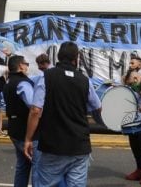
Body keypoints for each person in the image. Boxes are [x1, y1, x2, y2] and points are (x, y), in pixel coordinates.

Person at [23, 41, 102, 187]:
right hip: (80, 145)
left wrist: (28, 139)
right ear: (76, 58)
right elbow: (97, 107)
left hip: (53, 145)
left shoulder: (46, 77)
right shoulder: (85, 81)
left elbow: (35, 110)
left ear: (58, 57)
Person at [3, 55, 37, 187]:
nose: (27, 66)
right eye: (26, 63)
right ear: (21, 66)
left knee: (22, 165)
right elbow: (33, 106)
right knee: (36, 166)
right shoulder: (22, 83)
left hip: (14, 128)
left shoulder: (9, 81)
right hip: (24, 129)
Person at [123, 56, 141, 185]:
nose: (130, 64)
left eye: (133, 62)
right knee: (135, 146)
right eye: (130, 62)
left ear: (140, 64)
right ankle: (139, 169)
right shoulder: (128, 76)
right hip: (131, 119)